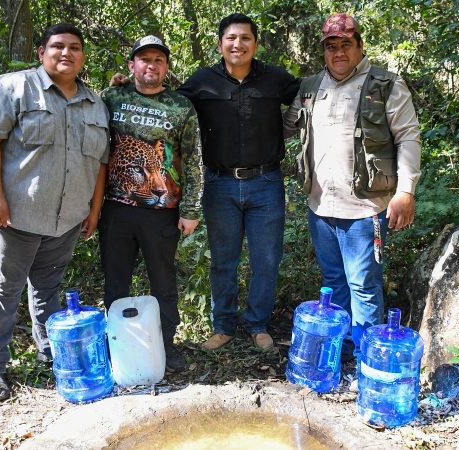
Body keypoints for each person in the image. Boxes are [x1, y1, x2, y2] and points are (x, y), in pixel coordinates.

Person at [0, 23, 109, 401]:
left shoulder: (95, 103)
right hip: (14, 217)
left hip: (65, 220)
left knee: (48, 290)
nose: (66, 53)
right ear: (41, 52)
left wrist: (94, 209)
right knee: (4, 291)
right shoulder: (15, 88)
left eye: (74, 47)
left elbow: (100, 161)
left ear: (82, 56)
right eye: (58, 46)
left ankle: (49, 353)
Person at [283, 13, 421, 361]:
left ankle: (365, 357)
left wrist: (405, 191)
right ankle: (342, 352)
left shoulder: (386, 85)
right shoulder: (311, 87)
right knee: (333, 281)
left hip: (365, 208)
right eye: (331, 46)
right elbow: (284, 126)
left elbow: (407, 137)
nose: (338, 52)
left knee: (363, 285)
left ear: (360, 45)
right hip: (320, 206)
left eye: (346, 44)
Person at [176, 13, 300, 352]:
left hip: (266, 182)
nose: (238, 44)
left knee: (266, 260)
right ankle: (224, 325)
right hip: (220, 184)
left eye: (245, 38)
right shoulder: (203, 81)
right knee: (223, 260)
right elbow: (169, 106)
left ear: (255, 44)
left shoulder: (275, 79)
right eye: (231, 38)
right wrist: (126, 87)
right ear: (220, 44)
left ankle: (258, 324)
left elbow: (314, 94)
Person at [98, 35, 203, 372]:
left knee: (163, 281)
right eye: (144, 59)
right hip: (116, 209)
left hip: (161, 213)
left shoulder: (181, 106)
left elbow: (193, 159)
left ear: (166, 67)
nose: (151, 65)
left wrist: (191, 209)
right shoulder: (112, 97)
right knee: (116, 281)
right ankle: (118, 344)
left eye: (159, 60)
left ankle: (167, 344)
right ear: (132, 65)